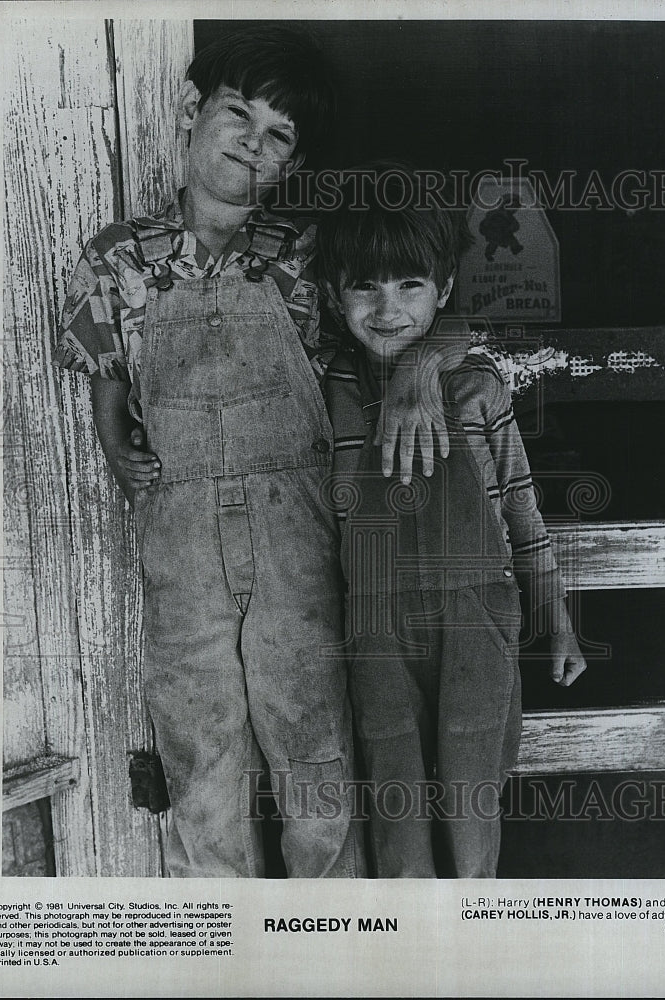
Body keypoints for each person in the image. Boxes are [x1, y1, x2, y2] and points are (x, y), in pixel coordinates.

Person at [53, 29, 459, 878]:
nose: (252, 143)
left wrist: (428, 364)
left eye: (279, 136)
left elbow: (407, 314)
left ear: (293, 161)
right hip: (181, 544)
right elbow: (105, 375)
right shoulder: (115, 258)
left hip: (294, 540)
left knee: (315, 756)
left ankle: (336, 930)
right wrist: (112, 440)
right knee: (202, 760)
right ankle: (222, 941)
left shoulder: (309, 255)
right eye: (238, 115)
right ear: (189, 113)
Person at [317, 167, 588, 878]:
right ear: (330, 293)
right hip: (372, 621)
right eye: (364, 286)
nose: (387, 307)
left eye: (410, 286)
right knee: (395, 795)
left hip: (479, 616)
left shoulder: (478, 387)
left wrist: (554, 616)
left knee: (472, 800)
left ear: (442, 292)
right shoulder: (326, 387)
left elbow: (523, 510)